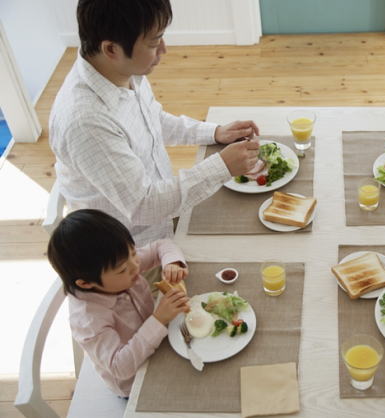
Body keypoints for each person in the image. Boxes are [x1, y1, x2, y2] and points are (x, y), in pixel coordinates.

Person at [50, 0, 261, 247]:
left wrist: (214, 132)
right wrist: (221, 166)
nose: (163, 49)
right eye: (153, 42)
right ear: (111, 49)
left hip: (165, 210)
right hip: (131, 252)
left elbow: (153, 120)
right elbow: (144, 206)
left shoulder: (120, 72)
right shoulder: (86, 123)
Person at [47, 209, 190, 397]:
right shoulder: (88, 319)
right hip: (135, 382)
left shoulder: (122, 263)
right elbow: (120, 367)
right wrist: (158, 319)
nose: (136, 266)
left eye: (132, 252)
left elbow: (161, 246)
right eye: (123, 270)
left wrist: (172, 263)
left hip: (159, 341)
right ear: (86, 283)